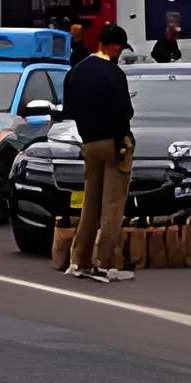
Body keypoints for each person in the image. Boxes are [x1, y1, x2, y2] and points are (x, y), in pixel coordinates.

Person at [60, 23, 137, 283]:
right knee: (112, 205)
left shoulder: (75, 72)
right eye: (120, 48)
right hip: (114, 142)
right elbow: (125, 111)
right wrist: (121, 138)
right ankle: (105, 263)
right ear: (115, 46)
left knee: (90, 204)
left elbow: (69, 109)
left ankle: (79, 260)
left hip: (89, 144)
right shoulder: (114, 73)